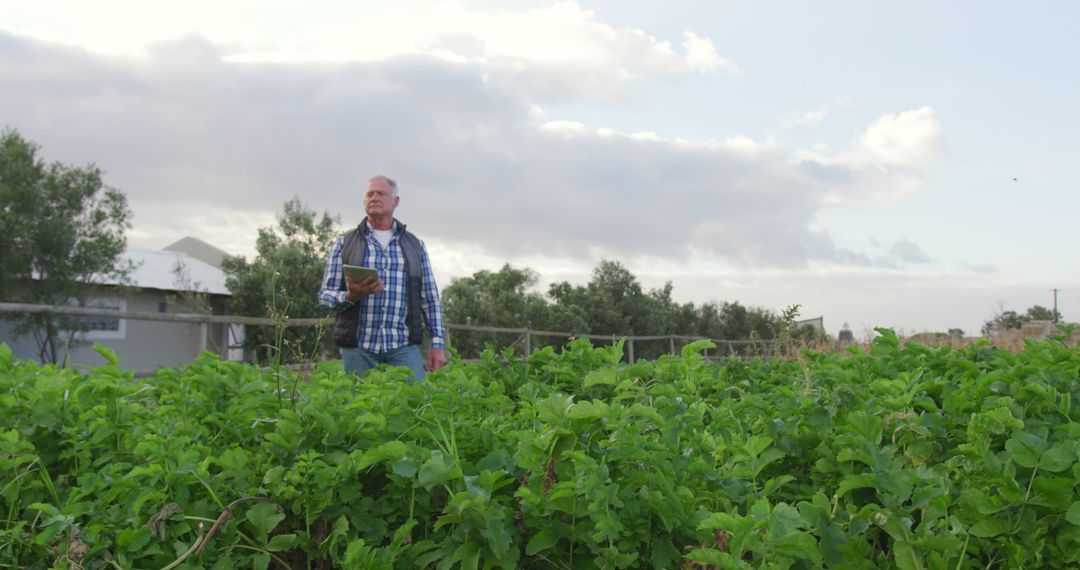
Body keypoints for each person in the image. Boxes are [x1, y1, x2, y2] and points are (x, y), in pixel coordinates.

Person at [318, 175, 447, 379]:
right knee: (357, 408)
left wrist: (438, 344)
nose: (374, 198)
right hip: (358, 348)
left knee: (414, 406)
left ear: (395, 201)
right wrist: (351, 296)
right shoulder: (345, 243)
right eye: (369, 194)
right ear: (364, 202)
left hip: (403, 346)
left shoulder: (415, 245)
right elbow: (325, 296)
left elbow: (430, 300)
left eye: (381, 193)